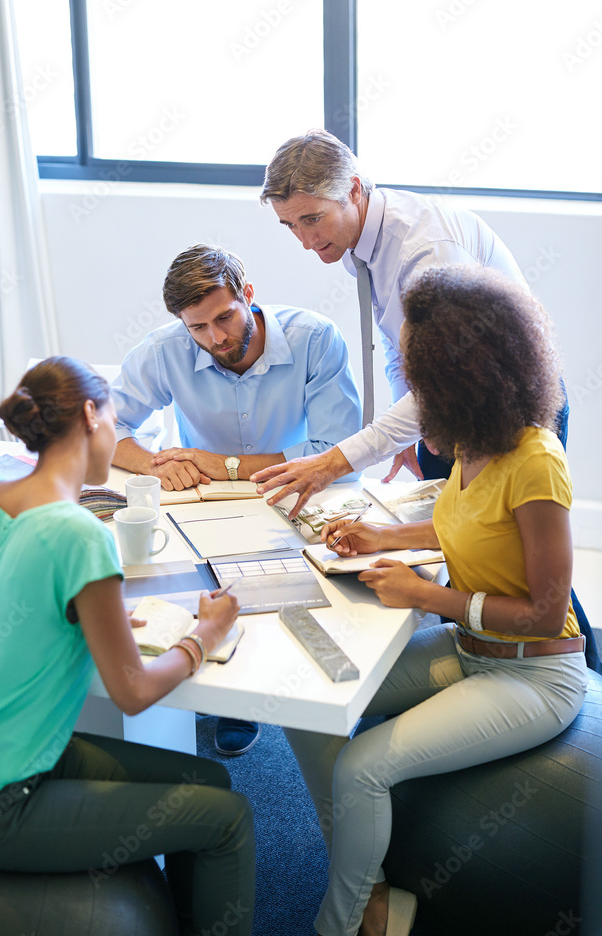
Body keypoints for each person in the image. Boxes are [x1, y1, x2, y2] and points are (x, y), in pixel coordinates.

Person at [255, 265, 589, 936]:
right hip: (473, 655)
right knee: (305, 705)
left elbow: (542, 610)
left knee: (362, 766)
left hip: (534, 674)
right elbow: (461, 523)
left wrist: (426, 596)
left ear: (466, 376)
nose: (415, 397)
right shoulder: (474, 445)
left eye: (423, 379)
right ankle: (372, 891)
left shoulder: (537, 463)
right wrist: (383, 536)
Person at [0, 357, 289, 936]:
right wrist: (207, 635)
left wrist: (86, 613)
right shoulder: (81, 534)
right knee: (229, 819)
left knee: (209, 778)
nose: (119, 434)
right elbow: (133, 693)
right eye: (116, 418)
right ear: (91, 416)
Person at [251, 128, 599, 674]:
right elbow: (403, 351)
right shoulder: (353, 241)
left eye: (312, 218)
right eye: (289, 224)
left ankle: (571, 678)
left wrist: (338, 460)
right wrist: (413, 433)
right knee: (468, 546)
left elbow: (456, 367)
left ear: (357, 190)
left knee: (518, 564)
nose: (303, 240)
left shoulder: (426, 248)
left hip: (507, 410)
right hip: (449, 411)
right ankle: (477, 670)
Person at [112, 243, 362, 753]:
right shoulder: (166, 350)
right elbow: (103, 429)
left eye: (224, 317)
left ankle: (307, 697)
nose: (216, 338)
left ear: (248, 294)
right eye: (198, 327)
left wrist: (225, 466)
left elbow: (336, 451)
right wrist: (157, 462)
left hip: (300, 492)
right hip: (205, 504)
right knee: (198, 591)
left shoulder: (315, 339)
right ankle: (232, 698)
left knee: (316, 606)